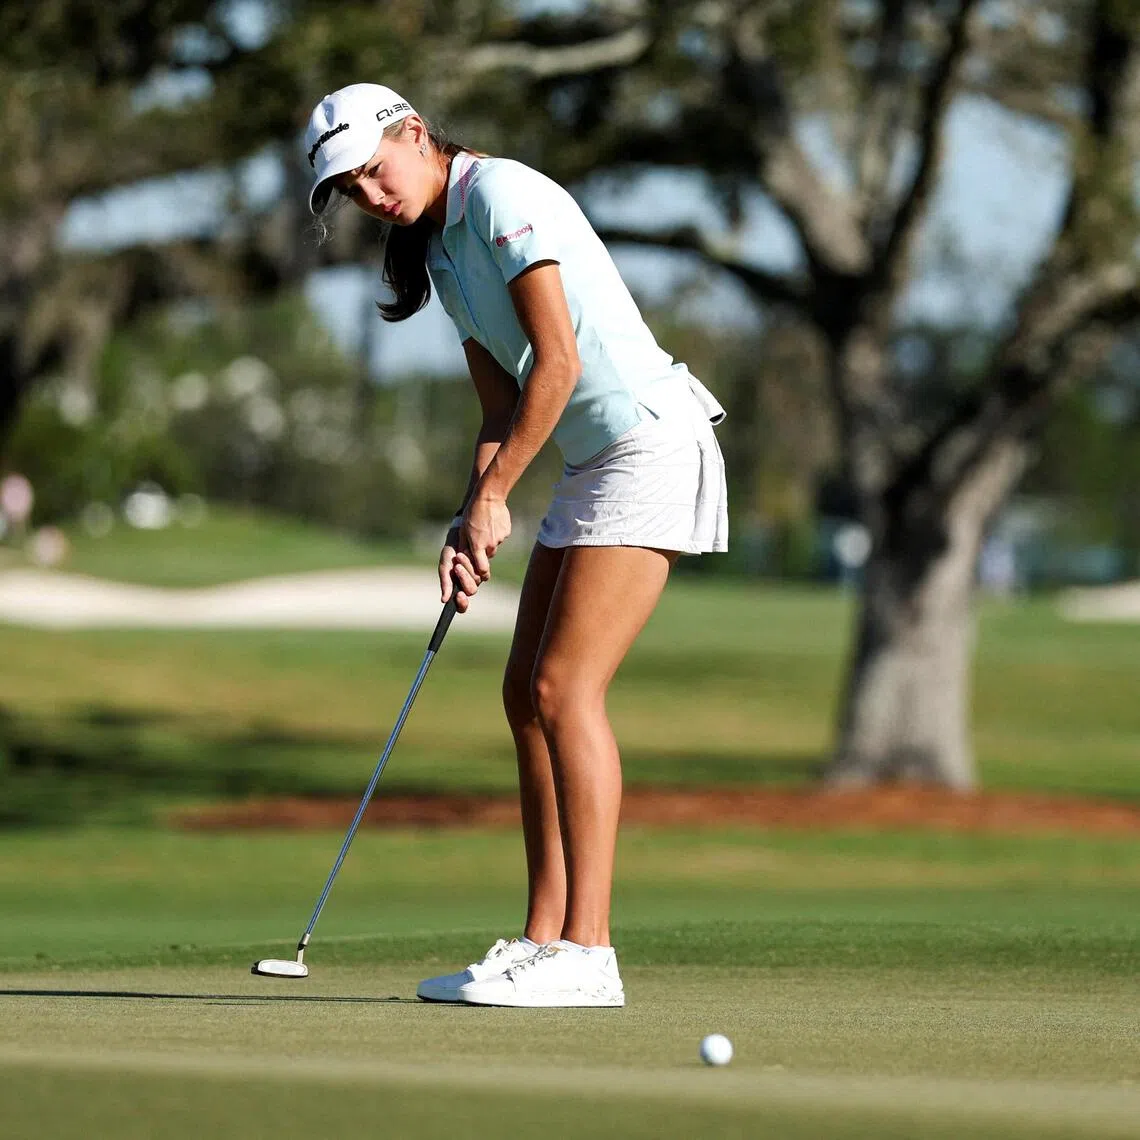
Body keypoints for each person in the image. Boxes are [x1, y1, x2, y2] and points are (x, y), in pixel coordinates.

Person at [305, 83, 728, 1008]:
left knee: (563, 689)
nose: (371, 195)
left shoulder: (500, 196)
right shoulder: (438, 248)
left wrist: (499, 496)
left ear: (417, 135)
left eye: (374, 170)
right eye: (351, 189)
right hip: (591, 460)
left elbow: (559, 363)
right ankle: (542, 942)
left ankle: (590, 952)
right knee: (523, 697)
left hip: (649, 442)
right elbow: (501, 408)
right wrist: (471, 514)